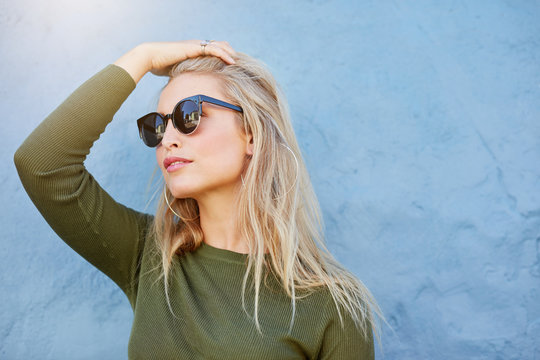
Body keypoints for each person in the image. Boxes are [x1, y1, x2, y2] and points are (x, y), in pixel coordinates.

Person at [14, 40, 381, 359]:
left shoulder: (332, 306)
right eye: (158, 125)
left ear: (251, 135)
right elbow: (42, 164)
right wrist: (144, 56)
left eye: (189, 115)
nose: (168, 139)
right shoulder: (149, 257)